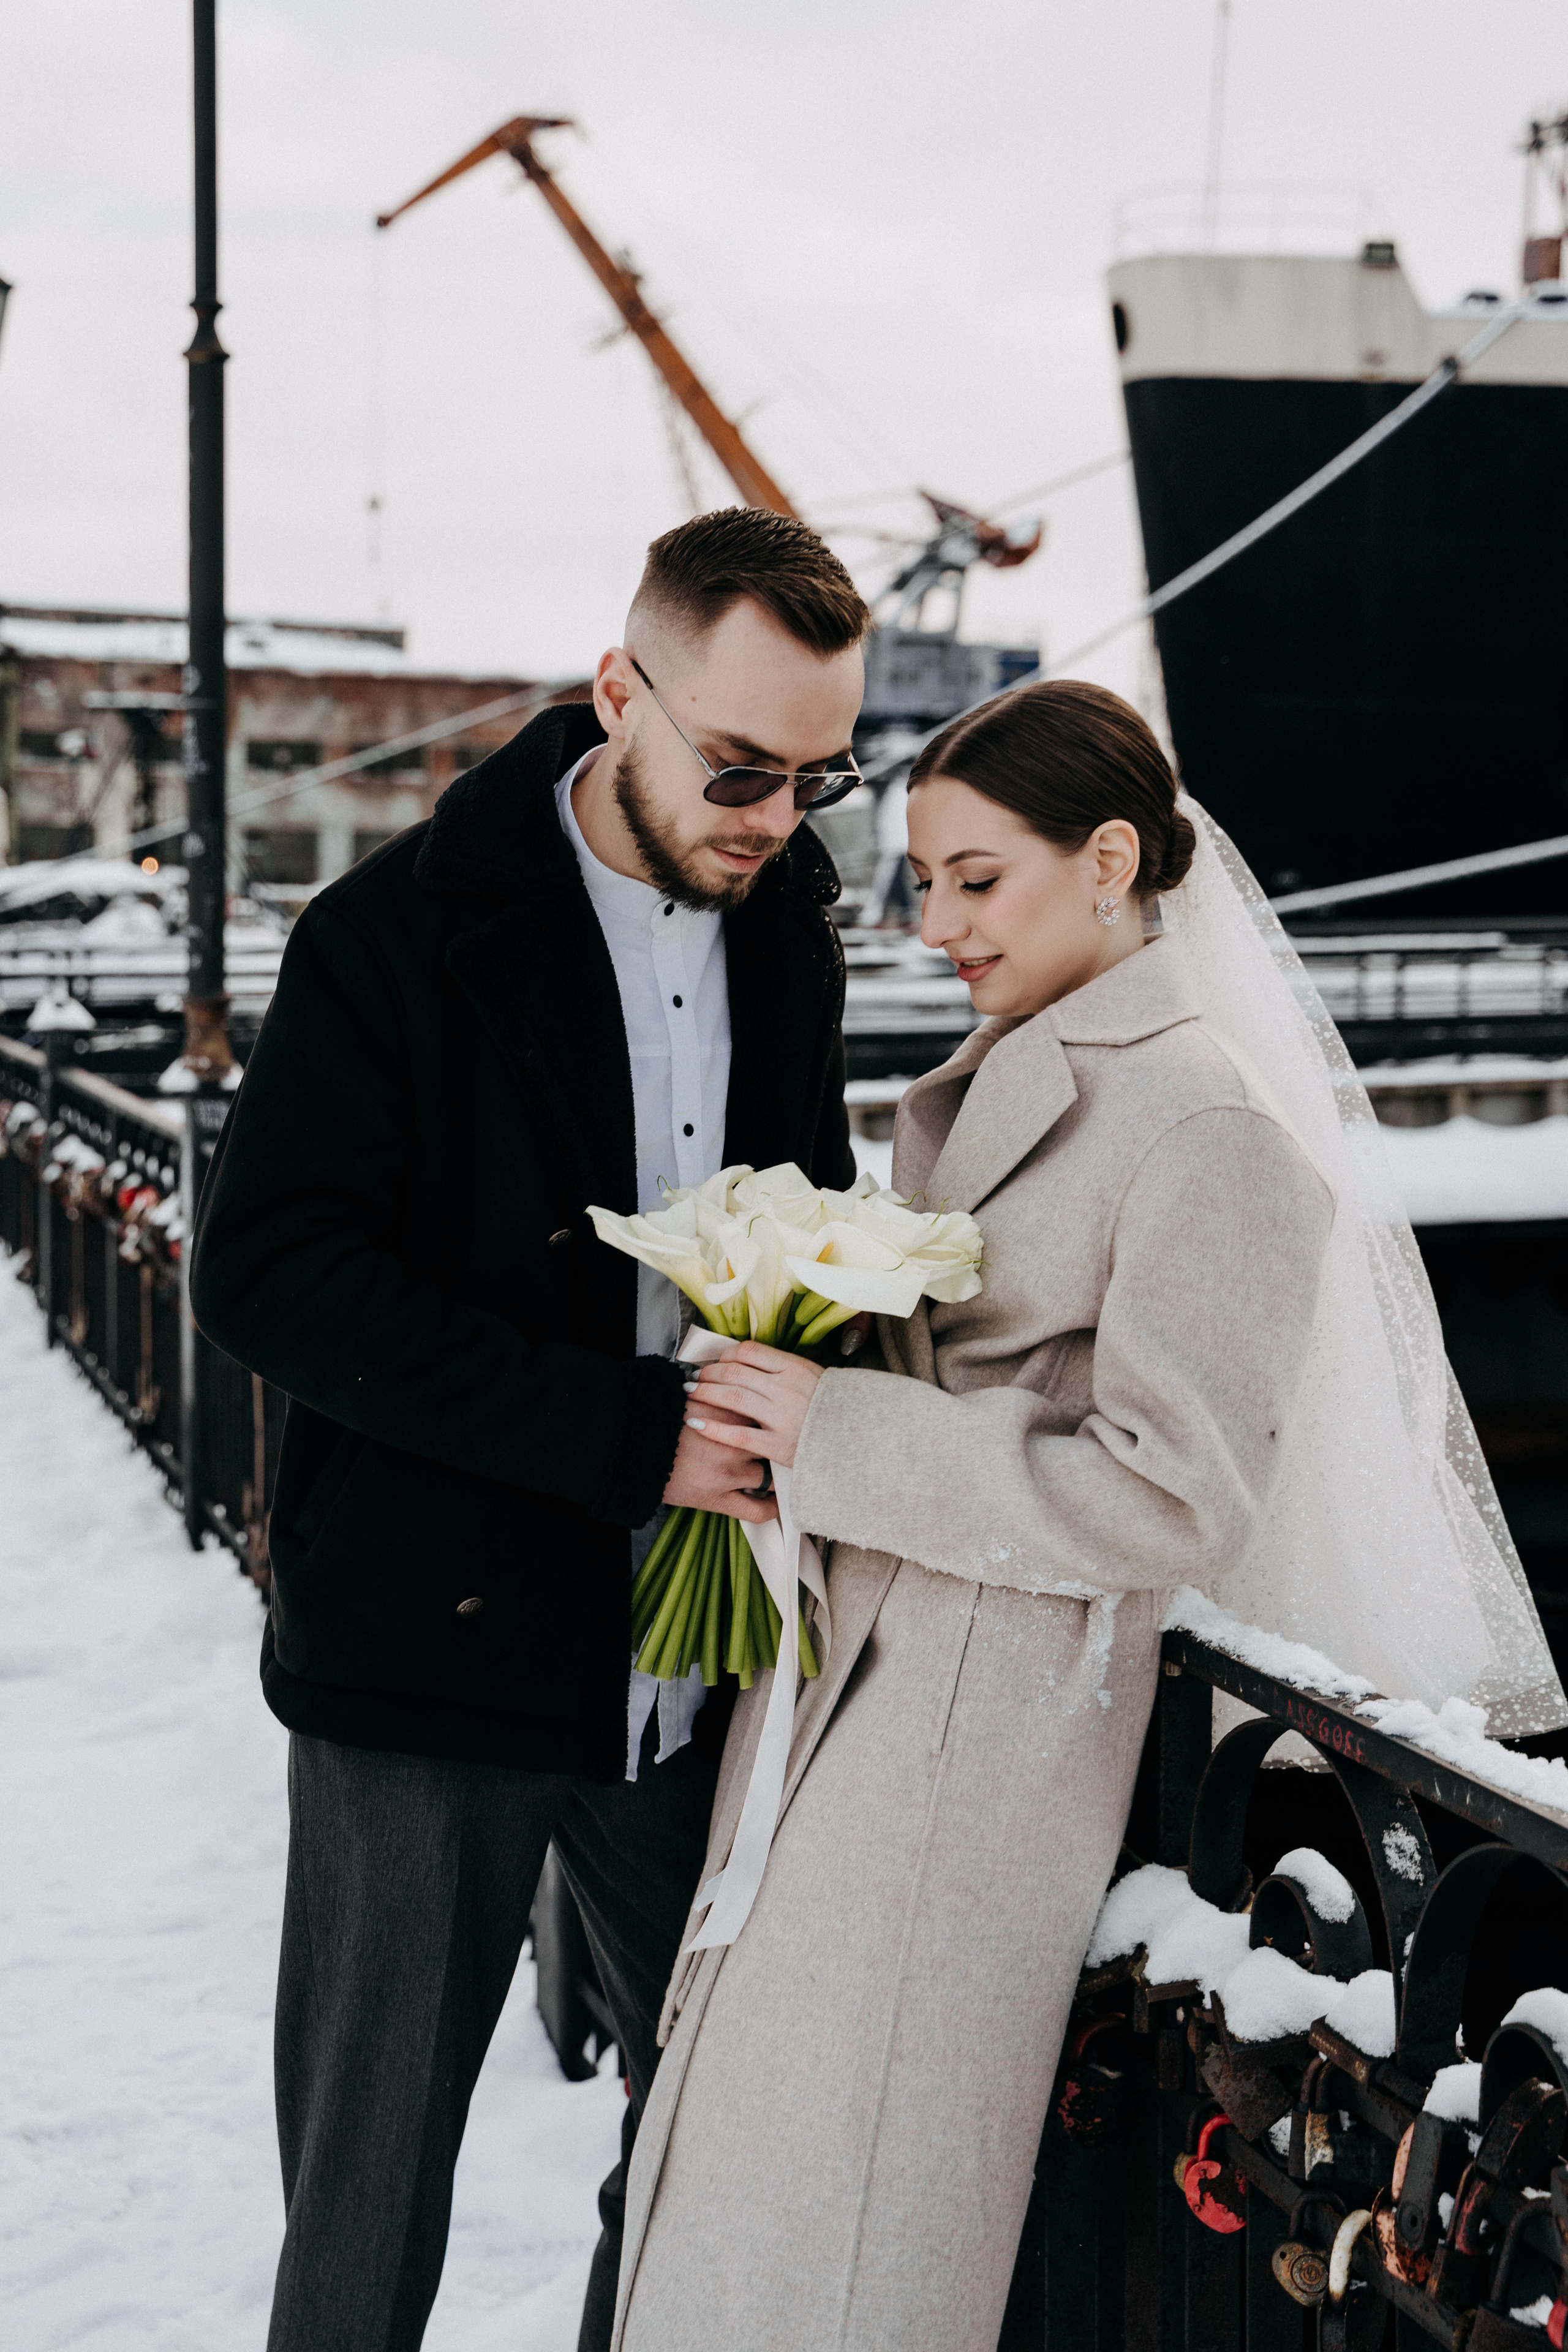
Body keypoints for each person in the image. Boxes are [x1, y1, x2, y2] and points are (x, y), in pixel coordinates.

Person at [613, 678, 1566, 2352]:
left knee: (837, 2254)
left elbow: (1173, 1492)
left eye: (978, 880)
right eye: (923, 880)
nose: (937, 923)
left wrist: (839, 1422)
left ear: (1112, 859)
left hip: (968, 1766)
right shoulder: (1013, 1078)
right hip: (861, 1717)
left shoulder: (1210, 1129)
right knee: (759, 2222)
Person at [189, 505, 870, 2352]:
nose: (777, 815)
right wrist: (622, 1435)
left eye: (826, 775)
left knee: (711, 2153)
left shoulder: (785, 924)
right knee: (368, 2195)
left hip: (697, 1657)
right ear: (614, 693)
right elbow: (265, 1278)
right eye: (741, 767)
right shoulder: (391, 931)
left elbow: (800, 1224)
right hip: (433, 1657)